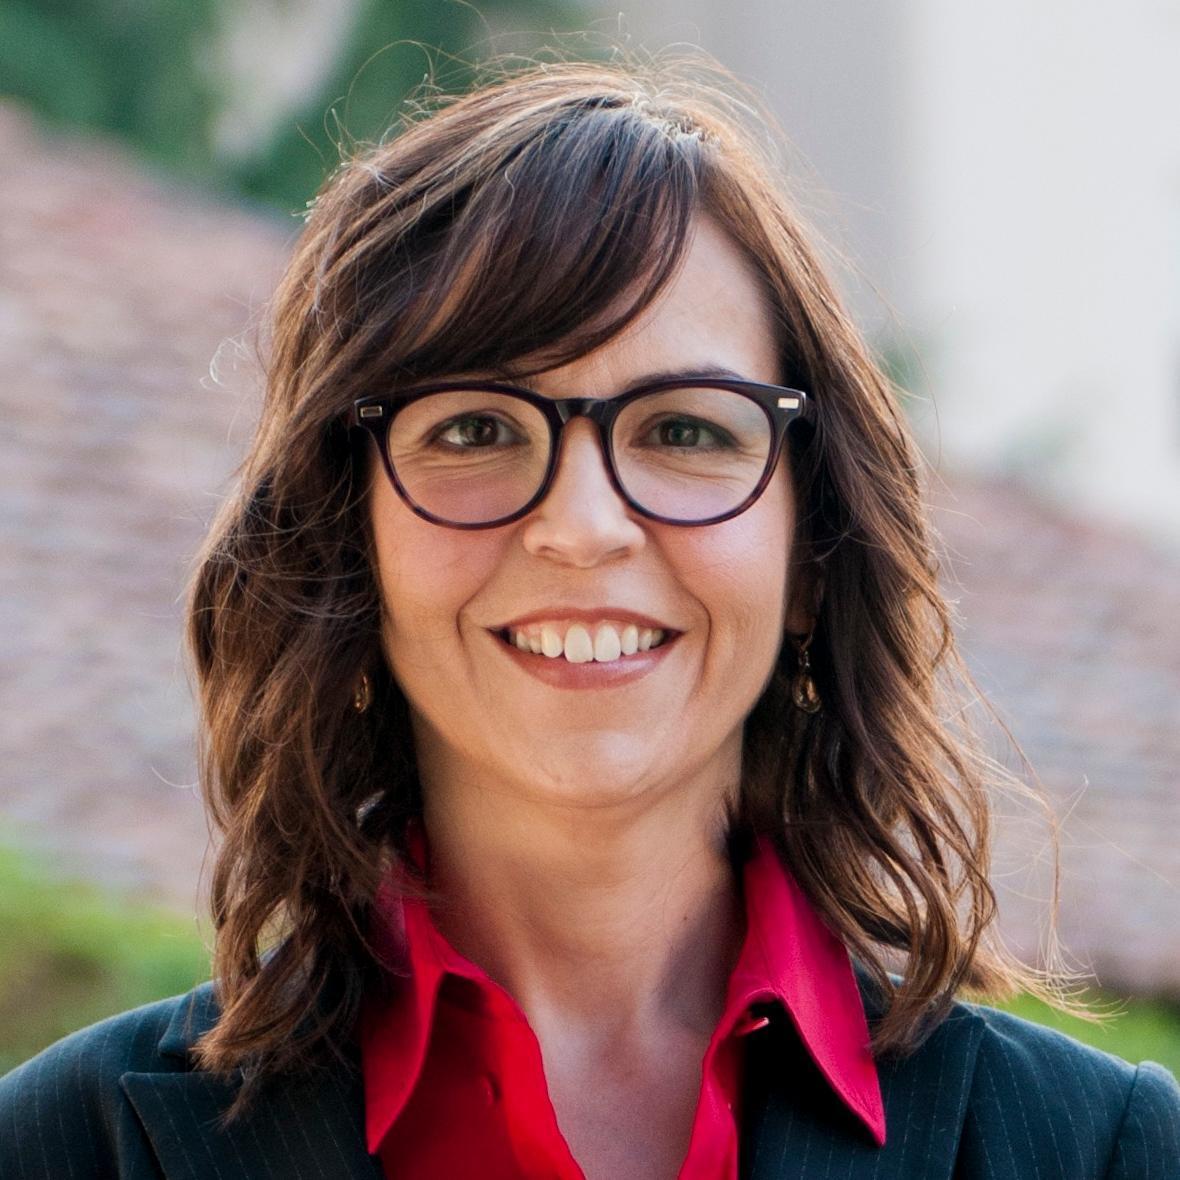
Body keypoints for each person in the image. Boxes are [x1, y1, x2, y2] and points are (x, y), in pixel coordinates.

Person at [1, 52, 1178, 1180]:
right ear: (344, 541)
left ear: (810, 548)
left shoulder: (1109, 1152)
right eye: (472, 428)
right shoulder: (64, 1149)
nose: (582, 525)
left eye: (683, 429)